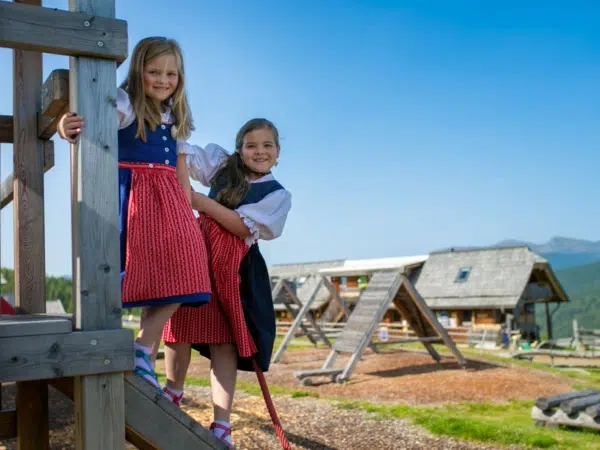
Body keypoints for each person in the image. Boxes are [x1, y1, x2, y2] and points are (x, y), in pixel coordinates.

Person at [56, 36, 212, 393]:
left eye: (171, 73)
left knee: (189, 269)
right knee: (149, 277)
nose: (163, 79)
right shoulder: (126, 104)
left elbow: (183, 171)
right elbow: (92, 119)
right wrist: (68, 127)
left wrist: (190, 211)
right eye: (154, 71)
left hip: (170, 197)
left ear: (180, 77)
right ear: (138, 69)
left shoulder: (177, 116)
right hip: (136, 195)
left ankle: (142, 350)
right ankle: (144, 359)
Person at [162, 118, 292, 449]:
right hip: (196, 249)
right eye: (251, 145)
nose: (259, 152)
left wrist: (198, 201)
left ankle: (221, 423)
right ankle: (172, 392)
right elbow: (184, 160)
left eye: (267, 146)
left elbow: (238, 226)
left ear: (278, 152)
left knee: (224, 340)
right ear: (239, 149)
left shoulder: (277, 196)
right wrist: (176, 137)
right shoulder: (223, 166)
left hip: (233, 267)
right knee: (178, 325)